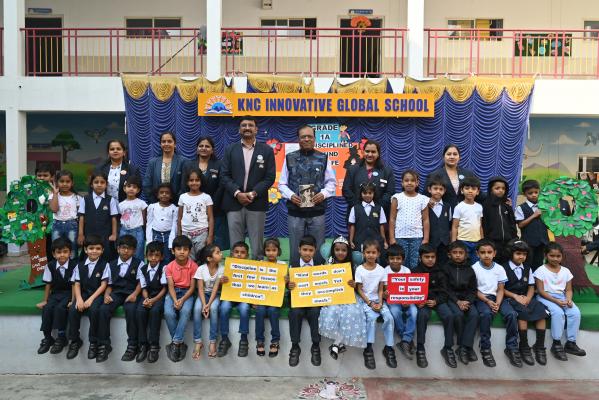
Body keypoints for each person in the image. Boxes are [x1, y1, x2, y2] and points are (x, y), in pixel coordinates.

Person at [278, 125, 336, 263]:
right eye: (303, 136)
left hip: (317, 211)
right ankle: (295, 272)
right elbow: (282, 184)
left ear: (314, 139)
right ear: (298, 139)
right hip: (295, 212)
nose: (306, 139)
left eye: (309, 136)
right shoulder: (289, 158)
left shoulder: (323, 158)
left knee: (318, 247)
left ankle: (318, 273)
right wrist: (291, 195)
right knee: (295, 248)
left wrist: (324, 194)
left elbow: (331, 183)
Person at [220, 117, 276, 260]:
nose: (247, 127)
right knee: (236, 247)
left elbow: (270, 177)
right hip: (234, 202)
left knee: (257, 247)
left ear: (256, 129)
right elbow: (224, 175)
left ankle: (257, 272)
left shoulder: (267, 150)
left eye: (250, 125)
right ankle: (236, 273)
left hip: (256, 203)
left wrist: (253, 193)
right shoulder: (230, 149)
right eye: (243, 125)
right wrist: (237, 193)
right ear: (239, 129)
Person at [534, 242, 586, 361]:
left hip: (562, 297)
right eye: (552, 256)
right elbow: (540, 291)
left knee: (575, 313)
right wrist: (556, 301)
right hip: (545, 297)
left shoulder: (566, 271)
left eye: (558, 256)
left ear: (562, 256)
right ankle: (556, 344)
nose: (555, 259)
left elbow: (568, 290)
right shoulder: (540, 270)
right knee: (558, 313)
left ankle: (571, 343)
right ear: (546, 255)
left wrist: (568, 299)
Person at [96, 235, 143, 363]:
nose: (126, 251)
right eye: (123, 248)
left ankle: (132, 345)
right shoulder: (111, 264)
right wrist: (106, 295)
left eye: (129, 248)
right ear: (118, 249)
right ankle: (104, 345)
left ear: (134, 250)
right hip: (116, 293)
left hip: (132, 293)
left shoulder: (139, 263)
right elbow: (109, 284)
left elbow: (140, 282)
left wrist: (135, 294)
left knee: (131, 310)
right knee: (104, 309)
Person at [501, 239, 549, 366]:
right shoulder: (503, 268)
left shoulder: (528, 268)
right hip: (511, 298)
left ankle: (540, 346)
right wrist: (515, 296)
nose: (521, 256)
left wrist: (528, 298)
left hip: (525, 297)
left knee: (541, 310)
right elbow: (500, 289)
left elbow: (531, 287)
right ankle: (524, 346)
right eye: (518, 253)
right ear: (511, 253)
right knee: (522, 312)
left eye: (524, 254)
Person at [318, 236, 366, 360]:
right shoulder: (329, 263)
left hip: (348, 296)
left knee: (352, 312)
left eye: (343, 250)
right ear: (333, 250)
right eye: (337, 250)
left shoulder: (352, 265)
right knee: (332, 311)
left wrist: (354, 284)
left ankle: (336, 344)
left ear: (348, 252)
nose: (340, 252)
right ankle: (338, 344)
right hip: (332, 295)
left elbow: (357, 284)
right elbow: (323, 281)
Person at [472, 240, 516, 368]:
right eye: (483, 252)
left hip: (498, 298)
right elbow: (474, 290)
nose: (486, 255)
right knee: (486, 314)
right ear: (477, 254)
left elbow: (501, 289)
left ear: (494, 253)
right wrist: (487, 301)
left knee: (512, 314)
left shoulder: (499, 268)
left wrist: (497, 303)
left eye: (489, 252)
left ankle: (512, 347)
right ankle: (485, 347)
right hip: (481, 298)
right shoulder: (474, 268)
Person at [65, 235, 110, 360]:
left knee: (94, 310)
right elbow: (77, 284)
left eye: (98, 248)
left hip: (97, 294)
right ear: (85, 250)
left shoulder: (105, 265)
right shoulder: (79, 265)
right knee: (73, 309)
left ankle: (93, 342)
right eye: (91, 248)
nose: (94, 251)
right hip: (83, 293)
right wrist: (79, 299)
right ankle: (74, 341)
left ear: (102, 250)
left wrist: (90, 300)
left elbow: (104, 285)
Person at [355, 239, 397, 369]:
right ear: (363, 254)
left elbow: (380, 289)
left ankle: (389, 348)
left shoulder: (381, 270)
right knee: (372, 318)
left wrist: (380, 303)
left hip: (378, 300)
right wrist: (370, 303)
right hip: (365, 300)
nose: (370, 255)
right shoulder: (360, 269)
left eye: (373, 252)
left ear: (378, 254)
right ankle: (368, 349)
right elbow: (359, 290)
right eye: (368, 252)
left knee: (389, 317)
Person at [182, 136, 229, 250]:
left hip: (215, 210)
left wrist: (210, 206)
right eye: (201, 146)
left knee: (214, 245)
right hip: (194, 211)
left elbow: (221, 187)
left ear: (212, 150)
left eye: (207, 146)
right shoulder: (188, 165)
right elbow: (184, 186)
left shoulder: (219, 164)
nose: (204, 148)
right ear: (197, 149)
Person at [287, 235, 326, 367]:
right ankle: (295, 346)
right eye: (305, 249)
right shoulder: (293, 262)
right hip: (298, 300)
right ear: (299, 249)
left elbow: (325, 282)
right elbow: (287, 282)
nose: (307, 253)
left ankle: (315, 346)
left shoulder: (320, 262)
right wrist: (288, 285)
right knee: (294, 313)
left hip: (314, 301)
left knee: (315, 312)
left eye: (310, 250)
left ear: (315, 251)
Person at [412, 244, 453, 368]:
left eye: (433, 257)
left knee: (449, 315)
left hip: (438, 301)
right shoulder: (415, 271)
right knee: (422, 316)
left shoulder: (441, 271)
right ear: (420, 257)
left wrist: (436, 301)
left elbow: (445, 291)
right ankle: (420, 348)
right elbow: (412, 291)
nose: (430, 259)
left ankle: (448, 348)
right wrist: (418, 301)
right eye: (427, 257)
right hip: (422, 302)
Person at [36, 238, 77, 355]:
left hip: (68, 293)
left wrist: (72, 301)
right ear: (54, 254)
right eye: (59, 252)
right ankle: (47, 337)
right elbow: (48, 284)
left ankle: (61, 337)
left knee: (60, 308)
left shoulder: (75, 266)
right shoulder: (50, 266)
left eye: (65, 252)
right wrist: (45, 300)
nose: (62, 255)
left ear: (70, 253)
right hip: (56, 293)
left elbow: (74, 285)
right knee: (47, 308)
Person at [163, 235, 199, 362]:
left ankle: (175, 343)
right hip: (173, 293)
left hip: (187, 293)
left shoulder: (194, 266)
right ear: (173, 251)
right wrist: (175, 300)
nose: (182, 252)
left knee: (185, 311)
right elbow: (170, 286)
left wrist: (182, 300)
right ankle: (179, 343)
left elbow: (192, 288)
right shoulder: (169, 267)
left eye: (185, 249)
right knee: (168, 313)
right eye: (178, 249)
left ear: (189, 251)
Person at [443, 240, 479, 366]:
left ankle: (464, 347)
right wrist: (458, 301)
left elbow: (473, 290)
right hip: (452, 299)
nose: (458, 255)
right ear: (449, 255)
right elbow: (446, 289)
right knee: (458, 315)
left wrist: (467, 301)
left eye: (461, 253)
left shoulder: (470, 269)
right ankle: (464, 346)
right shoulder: (446, 269)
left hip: (466, 299)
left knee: (474, 315)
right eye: (455, 252)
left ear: (466, 255)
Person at [342, 139, 395, 217]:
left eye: (373, 152)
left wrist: (376, 208)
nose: (370, 154)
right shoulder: (352, 169)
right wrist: (359, 207)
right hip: (356, 213)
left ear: (378, 154)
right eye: (367, 151)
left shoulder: (387, 171)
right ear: (363, 152)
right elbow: (346, 190)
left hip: (379, 214)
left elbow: (390, 192)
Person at [389, 170, 430, 269]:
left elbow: (426, 220)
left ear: (417, 183)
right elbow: (392, 219)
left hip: (417, 237)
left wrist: (426, 239)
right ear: (402, 183)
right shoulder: (397, 198)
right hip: (400, 236)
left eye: (412, 180)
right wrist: (392, 238)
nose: (409, 183)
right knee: (401, 263)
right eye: (406, 180)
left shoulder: (423, 199)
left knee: (415, 263)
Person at [217, 241, 252, 358]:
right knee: (224, 307)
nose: (239, 255)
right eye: (236, 252)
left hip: (244, 298)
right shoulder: (226, 267)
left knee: (245, 308)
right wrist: (221, 282)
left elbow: (255, 286)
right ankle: (224, 339)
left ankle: (244, 340)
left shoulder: (252, 268)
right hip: (229, 297)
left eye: (242, 252)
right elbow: (219, 287)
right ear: (232, 253)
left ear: (247, 255)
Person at [383, 244, 417, 360]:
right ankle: (406, 340)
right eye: (392, 258)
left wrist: (407, 299)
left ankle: (405, 341)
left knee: (414, 311)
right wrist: (385, 294)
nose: (395, 261)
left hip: (406, 299)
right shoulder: (385, 271)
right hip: (392, 301)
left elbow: (409, 288)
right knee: (395, 312)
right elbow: (385, 290)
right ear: (387, 260)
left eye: (398, 258)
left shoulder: (407, 270)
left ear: (403, 260)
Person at [135, 241, 167, 363]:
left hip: (159, 297)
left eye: (157, 255)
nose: (153, 258)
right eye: (150, 255)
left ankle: (154, 345)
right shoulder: (143, 269)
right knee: (140, 311)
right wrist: (147, 299)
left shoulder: (164, 268)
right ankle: (143, 344)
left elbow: (164, 289)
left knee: (155, 311)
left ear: (161, 257)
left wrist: (153, 300)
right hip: (147, 296)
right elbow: (143, 288)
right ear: (146, 256)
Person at [77, 171, 119, 261]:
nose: (99, 185)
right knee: (88, 258)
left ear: (106, 184)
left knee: (106, 258)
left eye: (102, 182)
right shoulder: (85, 199)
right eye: (96, 182)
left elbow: (113, 218)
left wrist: (114, 234)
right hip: (89, 234)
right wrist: (81, 234)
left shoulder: (110, 200)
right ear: (91, 184)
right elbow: (81, 217)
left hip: (105, 236)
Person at [255, 238, 286, 358]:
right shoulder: (260, 264)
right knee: (260, 311)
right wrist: (254, 300)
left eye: (274, 250)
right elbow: (255, 283)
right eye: (268, 250)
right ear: (264, 251)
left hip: (275, 300)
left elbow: (286, 285)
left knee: (273, 311)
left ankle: (275, 341)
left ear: (278, 251)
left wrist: (286, 280)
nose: (271, 253)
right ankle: (259, 341)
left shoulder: (282, 265)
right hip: (262, 299)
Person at [425, 144, 478, 211]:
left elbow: (477, 191)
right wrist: (427, 200)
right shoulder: (434, 175)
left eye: (455, 154)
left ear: (459, 157)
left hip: (465, 212)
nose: (452, 157)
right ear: (443, 157)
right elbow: (425, 195)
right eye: (449, 154)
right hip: (443, 212)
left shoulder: (468, 174)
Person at [194, 243, 224, 359]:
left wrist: (208, 305)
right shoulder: (201, 269)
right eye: (217, 252)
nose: (221, 254)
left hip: (215, 295)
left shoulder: (222, 268)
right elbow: (200, 289)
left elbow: (216, 289)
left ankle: (212, 342)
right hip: (203, 295)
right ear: (209, 258)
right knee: (197, 309)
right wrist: (203, 304)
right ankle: (198, 341)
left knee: (214, 308)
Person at [178, 168, 214, 262]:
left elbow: (210, 218)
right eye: (191, 180)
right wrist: (179, 235)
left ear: (201, 181)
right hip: (186, 234)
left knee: (202, 259)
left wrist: (210, 236)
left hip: (202, 234)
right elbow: (179, 217)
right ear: (187, 182)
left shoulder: (206, 197)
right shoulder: (183, 197)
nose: (194, 183)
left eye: (197, 180)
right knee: (188, 260)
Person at [143, 131, 187, 203]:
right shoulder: (153, 163)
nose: (166, 144)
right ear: (160, 144)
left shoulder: (183, 161)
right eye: (163, 141)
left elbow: (184, 186)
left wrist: (176, 203)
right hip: (156, 204)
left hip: (177, 205)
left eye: (169, 141)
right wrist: (155, 203)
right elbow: (146, 185)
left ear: (175, 144)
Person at [482, 177, 517, 264]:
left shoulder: (507, 205)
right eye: (497, 188)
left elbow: (512, 223)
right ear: (491, 189)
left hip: (508, 243)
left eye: (503, 188)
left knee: (506, 265)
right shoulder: (486, 205)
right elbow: (484, 224)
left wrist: (514, 239)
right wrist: (486, 241)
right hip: (492, 243)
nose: (501, 190)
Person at [515, 180, 549, 270]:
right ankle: (527, 279)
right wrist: (534, 215)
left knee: (540, 265)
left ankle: (538, 279)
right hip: (528, 243)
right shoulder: (520, 208)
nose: (534, 195)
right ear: (524, 194)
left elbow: (547, 224)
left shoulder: (544, 206)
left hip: (543, 241)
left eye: (536, 192)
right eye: (530, 193)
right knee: (527, 264)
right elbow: (520, 225)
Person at [451, 176, 483, 263]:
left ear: (478, 192)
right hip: (462, 241)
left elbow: (480, 226)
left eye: (473, 189)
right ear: (462, 190)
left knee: (475, 264)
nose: (470, 191)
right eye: (467, 188)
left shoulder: (479, 207)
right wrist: (454, 243)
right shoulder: (459, 207)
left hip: (477, 242)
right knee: (463, 264)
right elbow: (454, 226)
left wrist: (482, 241)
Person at [348, 182, 388, 253]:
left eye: (370, 193)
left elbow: (381, 226)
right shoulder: (355, 208)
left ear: (374, 194)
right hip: (359, 241)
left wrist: (384, 241)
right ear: (361, 194)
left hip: (376, 241)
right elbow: (352, 226)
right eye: (365, 193)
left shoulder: (379, 208)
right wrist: (351, 241)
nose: (367, 195)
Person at [49, 170, 80, 258]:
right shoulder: (52, 196)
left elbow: (80, 215)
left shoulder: (77, 197)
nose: (65, 184)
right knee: (56, 247)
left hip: (72, 224)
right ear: (57, 183)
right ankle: (58, 265)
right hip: (57, 224)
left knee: (72, 247)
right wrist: (55, 194)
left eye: (67, 181)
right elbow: (54, 209)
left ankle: (73, 265)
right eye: (62, 181)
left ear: (72, 183)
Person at [145, 183, 178, 264]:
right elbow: (149, 224)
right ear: (157, 195)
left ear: (171, 196)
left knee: (167, 257)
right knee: (154, 256)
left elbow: (174, 226)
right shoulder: (152, 207)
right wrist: (149, 241)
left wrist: (171, 242)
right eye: (161, 192)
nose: (164, 194)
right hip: (155, 235)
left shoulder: (174, 208)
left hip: (168, 236)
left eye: (167, 193)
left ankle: (165, 271)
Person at [118, 176, 148, 261]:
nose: (131, 189)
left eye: (134, 187)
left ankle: (139, 267)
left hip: (137, 231)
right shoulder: (120, 205)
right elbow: (119, 218)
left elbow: (144, 218)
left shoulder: (141, 203)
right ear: (124, 188)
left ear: (138, 190)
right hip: (124, 231)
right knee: (124, 252)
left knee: (138, 252)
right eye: (129, 186)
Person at [426, 175, 452, 266]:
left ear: (444, 191)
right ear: (429, 189)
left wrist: (450, 241)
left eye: (441, 189)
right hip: (430, 242)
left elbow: (449, 225)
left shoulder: (447, 206)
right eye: (435, 188)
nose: (438, 191)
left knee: (443, 265)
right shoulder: (425, 205)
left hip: (444, 243)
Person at [36, 163, 57, 263]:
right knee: (39, 250)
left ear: (52, 177)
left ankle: (53, 266)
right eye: (39, 175)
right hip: (38, 223)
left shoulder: (55, 189)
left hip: (52, 224)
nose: (42, 178)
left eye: (45, 175)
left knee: (51, 247)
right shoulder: (32, 189)